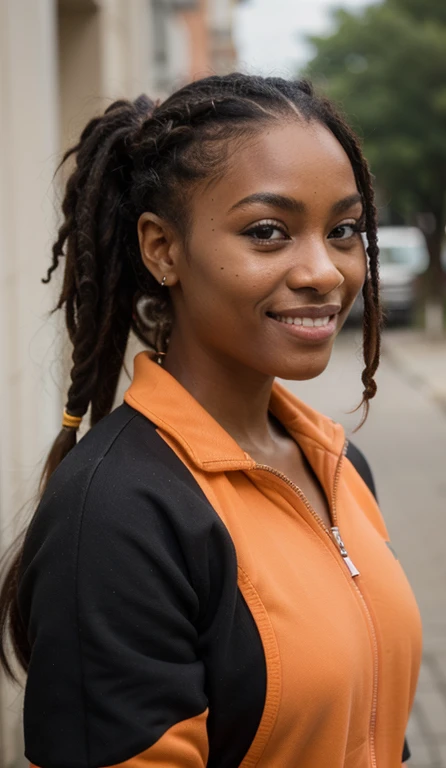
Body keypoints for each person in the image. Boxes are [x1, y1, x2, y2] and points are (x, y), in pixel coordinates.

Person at [0, 74, 422, 768]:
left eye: (343, 229)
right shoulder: (118, 516)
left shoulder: (337, 464)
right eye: (268, 232)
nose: (324, 270)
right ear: (163, 249)